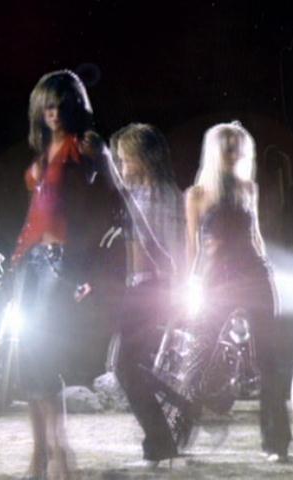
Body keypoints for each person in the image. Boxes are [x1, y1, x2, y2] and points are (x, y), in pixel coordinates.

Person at [10, 69, 105, 480]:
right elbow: (36, 212)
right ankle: (40, 454)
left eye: (61, 104)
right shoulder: (45, 150)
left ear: (75, 106)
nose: (53, 112)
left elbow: (106, 205)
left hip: (60, 260)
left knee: (43, 354)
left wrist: (91, 268)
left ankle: (60, 453)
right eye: (47, 105)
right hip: (30, 261)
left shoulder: (85, 146)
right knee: (28, 355)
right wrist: (17, 259)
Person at [182, 121, 291, 462]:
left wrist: (271, 274)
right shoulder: (197, 195)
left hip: (254, 277)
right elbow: (192, 248)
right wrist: (189, 285)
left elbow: (256, 237)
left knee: (269, 360)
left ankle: (276, 443)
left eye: (239, 147)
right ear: (216, 151)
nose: (234, 153)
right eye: (228, 147)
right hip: (215, 281)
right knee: (197, 356)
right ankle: (174, 434)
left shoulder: (248, 188)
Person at [106, 123, 185, 467]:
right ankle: (174, 414)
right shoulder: (159, 193)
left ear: (144, 160)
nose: (121, 166)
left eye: (125, 160)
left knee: (124, 366)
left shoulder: (153, 195)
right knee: (127, 364)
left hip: (148, 287)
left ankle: (160, 441)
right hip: (150, 287)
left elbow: (165, 245)